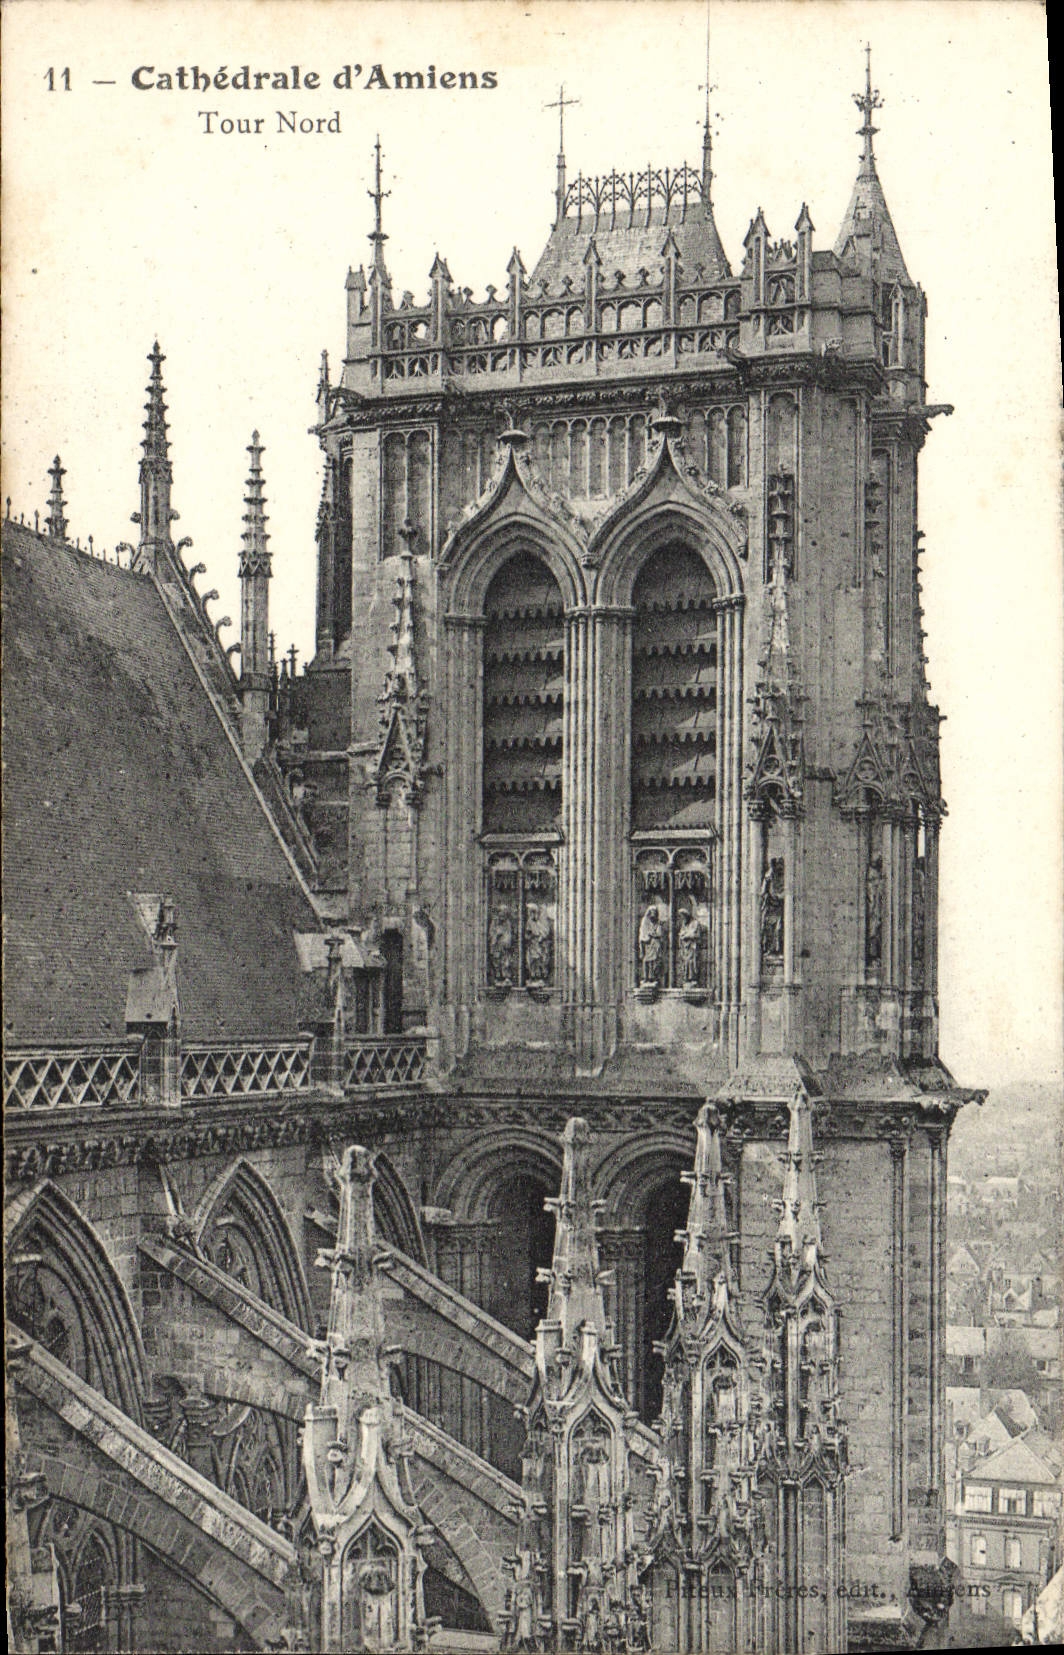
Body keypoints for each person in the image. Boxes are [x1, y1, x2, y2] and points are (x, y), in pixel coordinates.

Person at [759, 857, 785, 959]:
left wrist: (779, 896)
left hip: (779, 907)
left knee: (778, 930)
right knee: (768, 929)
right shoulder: (769, 876)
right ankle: (769, 949)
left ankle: (778, 950)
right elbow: (763, 891)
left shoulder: (782, 878)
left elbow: (782, 892)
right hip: (770, 907)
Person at [638, 903, 664, 985]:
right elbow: (643, 934)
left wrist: (652, 934)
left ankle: (652, 977)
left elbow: (659, 934)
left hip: (654, 944)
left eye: (654, 913)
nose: (652, 916)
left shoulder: (658, 924)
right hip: (647, 944)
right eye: (651, 913)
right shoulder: (646, 922)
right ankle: (646, 977)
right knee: (646, 961)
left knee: (654, 962)